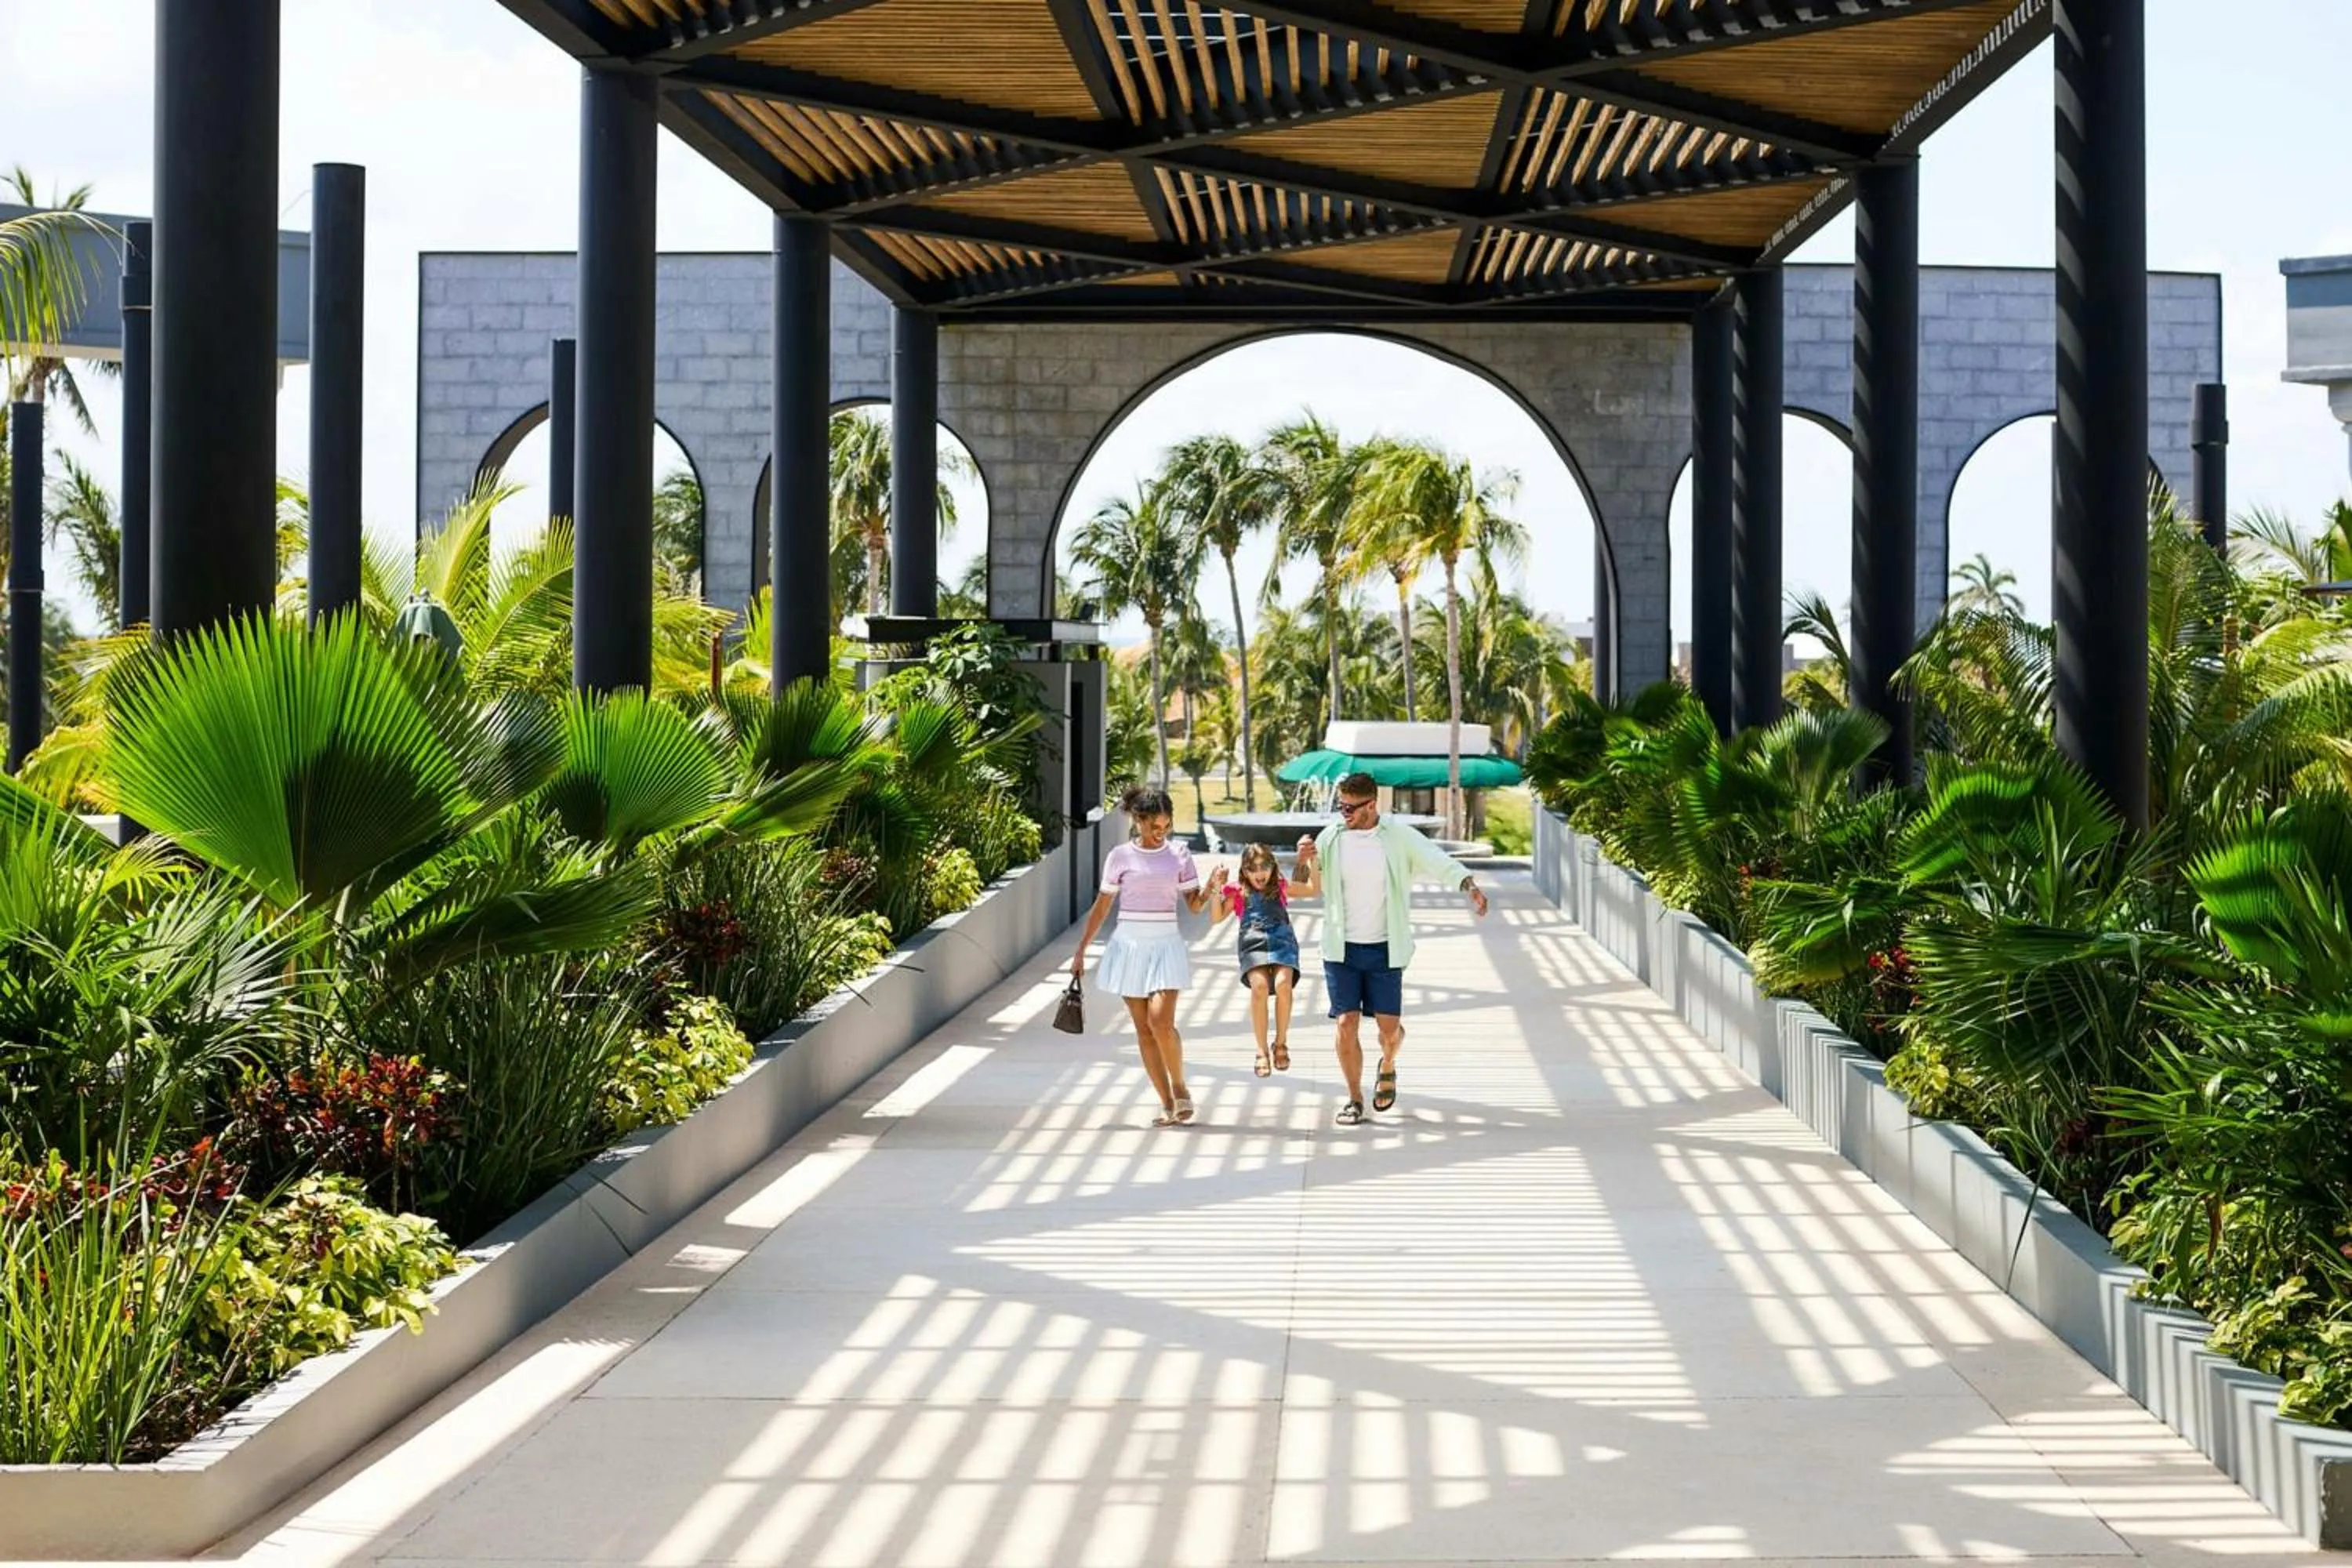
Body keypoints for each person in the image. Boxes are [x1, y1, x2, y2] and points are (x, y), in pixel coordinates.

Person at [1295, 772, 1488, 1126]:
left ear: (1372, 805)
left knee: (1388, 1031)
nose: (1344, 814)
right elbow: (1309, 885)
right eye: (1341, 806)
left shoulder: (1398, 837)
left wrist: (1468, 884)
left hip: (1385, 948)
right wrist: (1304, 859)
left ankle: (1388, 1063)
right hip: (1341, 949)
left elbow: (1435, 858)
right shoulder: (1331, 838)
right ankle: (1354, 1098)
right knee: (1346, 1022)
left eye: (1351, 808)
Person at [1073, 785, 1224, 1127]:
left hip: (1166, 944)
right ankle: (1168, 1103)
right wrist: (1081, 950)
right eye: (1155, 826)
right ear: (1138, 821)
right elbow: (1102, 907)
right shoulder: (1120, 857)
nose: (1161, 833)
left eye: (1166, 826)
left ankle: (1181, 1087)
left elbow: (1195, 905)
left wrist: (1212, 885)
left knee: (1161, 1021)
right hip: (1129, 945)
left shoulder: (1179, 855)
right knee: (1143, 1030)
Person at [1208, 841, 1319, 1077]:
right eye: (1252, 868)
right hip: (1253, 943)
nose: (1259, 873)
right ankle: (1261, 1050)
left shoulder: (1280, 887)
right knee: (1259, 987)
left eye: (1264, 867)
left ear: (1273, 867)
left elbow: (1310, 888)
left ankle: (1280, 1042)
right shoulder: (1239, 891)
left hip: (1282, 941)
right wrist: (1217, 886)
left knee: (1283, 985)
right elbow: (1217, 917)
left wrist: (1310, 860)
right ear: (1244, 871)